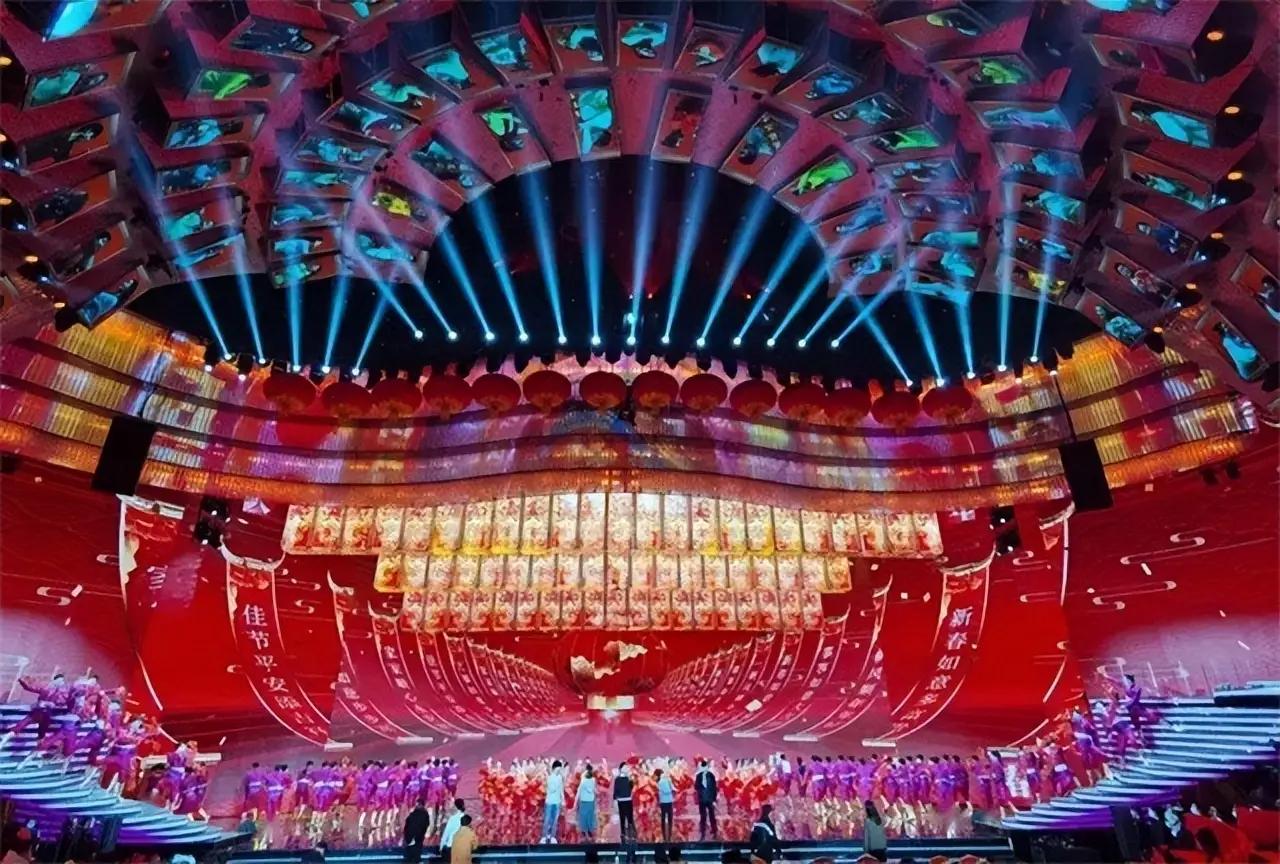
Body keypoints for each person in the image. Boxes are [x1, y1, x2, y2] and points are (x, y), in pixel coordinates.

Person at [541, 761, 564, 844]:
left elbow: (561, 789)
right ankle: (544, 836)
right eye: (559, 768)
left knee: (555, 820)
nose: (560, 769)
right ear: (555, 768)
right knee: (547, 819)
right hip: (549, 801)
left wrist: (563, 799)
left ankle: (553, 836)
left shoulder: (560, 777)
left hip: (557, 802)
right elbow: (552, 789)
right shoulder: (550, 777)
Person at [695, 759, 717, 840]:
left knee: (712, 816)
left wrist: (714, 799)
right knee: (703, 817)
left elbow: (714, 788)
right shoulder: (698, 776)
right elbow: (696, 787)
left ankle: (714, 832)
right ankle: (703, 834)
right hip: (702, 800)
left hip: (710, 799)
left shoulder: (711, 775)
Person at [574, 763, 598, 842]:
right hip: (590, 801)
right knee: (589, 816)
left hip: (584, 801)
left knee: (584, 817)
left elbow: (579, 791)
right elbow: (594, 790)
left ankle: (585, 832)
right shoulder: (592, 780)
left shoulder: (583, 780)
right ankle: (589, 832)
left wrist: (575, 803)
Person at [613, 763, 635, 843]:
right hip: (624, 800)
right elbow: (616, 790)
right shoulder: (620, 779)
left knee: (626, 817)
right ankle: (626, 833)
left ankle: (627, 833)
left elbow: (630, 788)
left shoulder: (625, 779)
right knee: (626, 817)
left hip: (625, 800)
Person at [656, 768, 675, 844]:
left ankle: (669, 836)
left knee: (668, 818)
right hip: (665, 802)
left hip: (667, 801)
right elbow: (667, 791)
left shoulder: (666, 780)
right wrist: (671, 788)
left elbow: (673, 788)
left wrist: (672, 786)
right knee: (665, 818)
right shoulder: (661, 782)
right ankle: (666, 837)